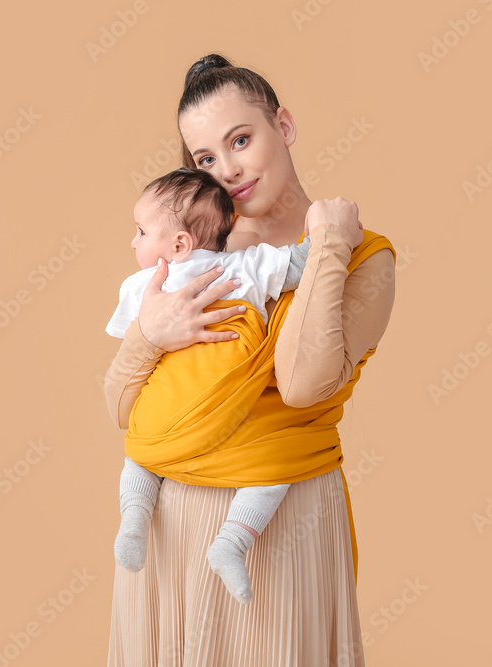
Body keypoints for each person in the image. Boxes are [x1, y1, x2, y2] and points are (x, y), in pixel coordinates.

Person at [105, 53, 396, 666]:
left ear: (282, 126)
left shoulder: (365, 257)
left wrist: (327, 245)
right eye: (206, 159)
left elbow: (302, 384)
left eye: (241, 139)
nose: (229, 170)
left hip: (283, 518)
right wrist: (147, 336)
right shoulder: (192, 258)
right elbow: (123, 409)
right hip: (173, 515)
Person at [108, 166, 362, 605]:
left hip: (167, 406)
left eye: (140, 231)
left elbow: (129, 348)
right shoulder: (240, 268)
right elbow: (302, 266)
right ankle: (232, 543)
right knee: (272, 469)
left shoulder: (139, 287)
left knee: (140, 456)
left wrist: (153, 330)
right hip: (228, 404)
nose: (133, 241)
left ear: (180, 245)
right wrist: (336, 232)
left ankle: (134, 520)